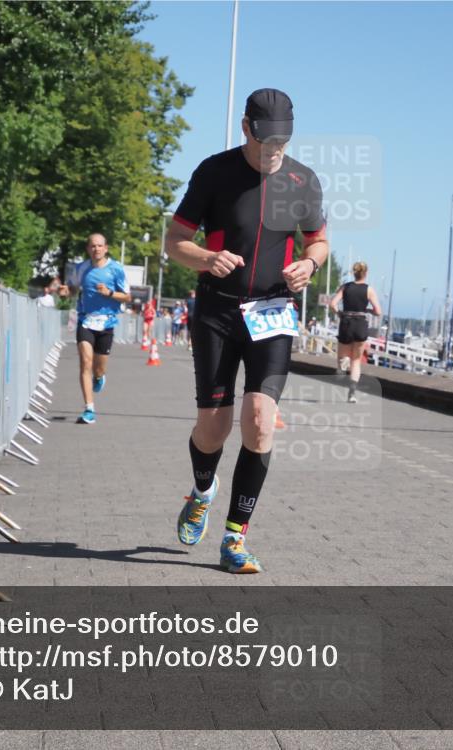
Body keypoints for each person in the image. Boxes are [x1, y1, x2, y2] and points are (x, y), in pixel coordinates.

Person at [165, 88, 327, 573]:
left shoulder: (303, 181)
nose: (272, 152)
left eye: (280, 144)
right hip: (216, 311)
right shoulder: (214, 172)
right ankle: (202, 491)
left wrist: (310, 264)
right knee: (213, 430)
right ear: (245, 130)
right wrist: (207, 258)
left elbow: (319, 239)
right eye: (264, 143)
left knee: (259, 422)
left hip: (272, 313)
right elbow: (174, 241)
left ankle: (235, 538)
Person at [59, 234, 131, 424]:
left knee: (98, 368)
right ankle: (89, 409)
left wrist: (109, 293)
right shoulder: (81, 268)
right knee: (85, 363)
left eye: (99, 246)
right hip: (86, 321)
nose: (96, 249)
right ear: (87, 248)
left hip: (107, 323)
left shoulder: (116, 269)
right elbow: (73, 289)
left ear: (106, 248)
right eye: (92, 246)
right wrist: (66, 292)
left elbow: (127, 297)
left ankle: (99, 377)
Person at [330, 262, 382, 402]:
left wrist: (340, 313)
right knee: (357, 361)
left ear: (354, 273)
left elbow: (333, 304)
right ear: (366, 273)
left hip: (346, 322)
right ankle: (352, 394)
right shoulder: (369, 290)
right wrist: (368, 310)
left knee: (342, 357)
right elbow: (378, 311)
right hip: (360, 324)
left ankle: (343, 363)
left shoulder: (345, 287)